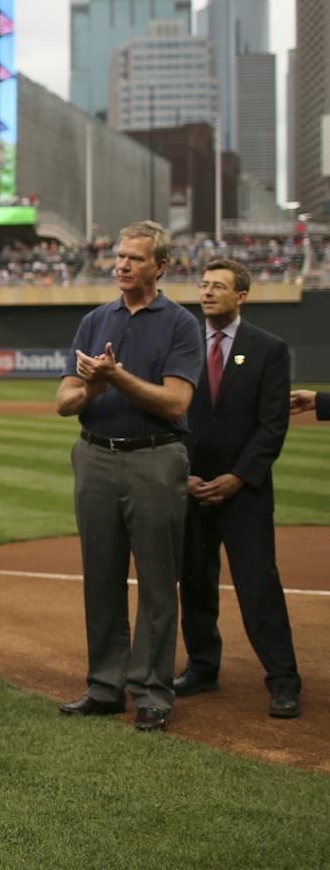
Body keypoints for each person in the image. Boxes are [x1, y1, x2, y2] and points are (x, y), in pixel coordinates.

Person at [55, 220, 202, 732]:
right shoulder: (96, 319)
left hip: (155, 458)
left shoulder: (181, 323)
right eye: (119, 256)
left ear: (160, 267)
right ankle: (105, 685)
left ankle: (152, 690)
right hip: (95, 454)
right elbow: (64, 402)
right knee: (101, 577)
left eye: (134, 258)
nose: (121, 264)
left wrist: (115, 376)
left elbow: (177, 402)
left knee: (159, 581)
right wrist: (96, 389)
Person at [175, 258, 301, 718]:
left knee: (258, 587)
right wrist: (183, 473)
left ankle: (284, 680)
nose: (207, 293)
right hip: (191, 488)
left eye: (218, 287)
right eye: (204, 285)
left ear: (241, 296)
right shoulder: (184, 343)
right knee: (196, 585)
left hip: (244, 493)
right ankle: (203, 667)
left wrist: (236, 478)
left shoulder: (268, 348)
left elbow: (272, 426)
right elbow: (174, 414)